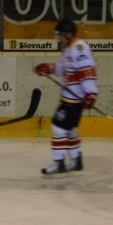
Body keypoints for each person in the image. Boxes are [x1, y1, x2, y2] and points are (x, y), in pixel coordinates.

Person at [33, 18, 99, 175]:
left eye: (61, 35)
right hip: (69, 97)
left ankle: (58, 162)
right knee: (70, 129)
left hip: (74, 99)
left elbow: (87, 71)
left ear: (69, 34)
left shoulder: (79, 48)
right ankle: (76, 160)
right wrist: (51, 68)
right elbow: (66, 69)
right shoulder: (68, 47)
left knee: (58, 127)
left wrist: (91, 93)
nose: (59, 39)